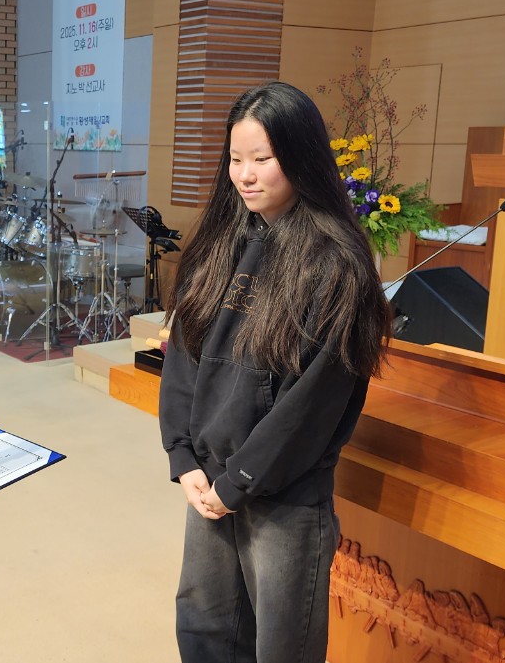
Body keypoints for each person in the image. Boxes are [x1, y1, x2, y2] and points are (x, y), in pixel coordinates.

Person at [157, 81, 390, 662]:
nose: (245, 175)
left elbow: (312, 404)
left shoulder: (336, 262)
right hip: (209, 481)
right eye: (236, 159)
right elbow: (184, 351)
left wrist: (238, 482)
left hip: (281, 493)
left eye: (262, 159)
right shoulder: (221, 242)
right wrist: (183, 456)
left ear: (300, 156)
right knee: (205, 630)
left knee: (283, 647)